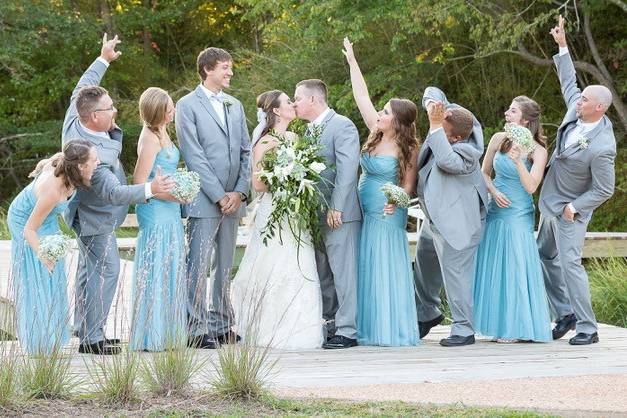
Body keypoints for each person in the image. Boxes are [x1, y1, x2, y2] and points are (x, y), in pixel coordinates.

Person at [62, 34, 174, 355]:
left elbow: (84, 84)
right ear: (94, 117)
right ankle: (93, 339)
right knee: (107, 269)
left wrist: (103, 59)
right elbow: (113, 193)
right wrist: (152, 188)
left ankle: (85, 328)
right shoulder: (87, 154)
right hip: (95, 216)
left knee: (88, 269)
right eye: (110, 109)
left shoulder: (78, 109)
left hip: (86, 211)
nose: (115, 111)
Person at [537, 15, 616, 345]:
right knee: (543, 255)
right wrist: (563, 46)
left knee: (570, 264)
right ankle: (565, 313)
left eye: (584, 99)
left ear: (597, 108)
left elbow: (604, 188)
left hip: (570, 211)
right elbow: (568, 83)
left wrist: (574, 207)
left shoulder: (602, 147)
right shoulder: (576, 109)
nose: (577, 100)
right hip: (548, 203)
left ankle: (588, 327)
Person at [230, 90, 324, 349]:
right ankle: (269, 329)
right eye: (288, 103)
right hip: (274, 209)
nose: (293, 105)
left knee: (300, 263)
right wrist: (284, 176)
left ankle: (301, 329)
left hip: (295, 210)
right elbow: (258, 185)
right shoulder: (264, 143)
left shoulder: (296, 137)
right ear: (276, 111)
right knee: (273, 264)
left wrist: (300, 177)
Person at [342, 38, 419, 346]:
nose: (380, 114)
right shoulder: (374, 132)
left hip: (388, 210)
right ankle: (367, 324)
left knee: (384, 263)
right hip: (362, 204)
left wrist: (396, 201)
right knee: (364, 262)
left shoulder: (408, 147)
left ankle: (388, 328)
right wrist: (352, 61)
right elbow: (360, 95)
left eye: (386, 112)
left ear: (397, 120)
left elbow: (408, 185)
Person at [176, 47, 251, 349]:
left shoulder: (235, 104)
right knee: (198, 264)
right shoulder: (187, 105)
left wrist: (240, 191)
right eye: (224, 67)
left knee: (224, 263)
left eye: (230, 67)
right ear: (207, 69)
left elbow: (246, 151)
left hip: (234, 198)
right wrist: (219, 195)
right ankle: (195, 328)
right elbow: (193, 155)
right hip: (204, 199)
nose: (230, 72)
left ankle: (221, 323)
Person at [413, 89, 488, 347]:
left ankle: (464, 330)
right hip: (434, 216)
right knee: (424, 263)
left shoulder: (466, 154)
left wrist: (435, 125)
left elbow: (445, 160)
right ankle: (427, 313)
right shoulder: (453, 117)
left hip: (459, 223)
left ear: (455, 138)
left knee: (455, 274)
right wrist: (434, 104)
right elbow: (433, 90)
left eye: (442, 133)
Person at [473, 96, 552, 343]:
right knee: (496, 265)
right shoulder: (498, 139)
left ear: (525, 120)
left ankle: (517, 326)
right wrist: (493, 192)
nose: (507, 112)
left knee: (516, 265)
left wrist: (519, 162)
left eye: (513, 110)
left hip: (518, 212)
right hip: (497, 209)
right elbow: (483, 173)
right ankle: (497, 324)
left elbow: (531, 187)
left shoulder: (539, 151)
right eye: (508, 108)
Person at [8, 140, 97, 355]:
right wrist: (43, 256)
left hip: (46, 221)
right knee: (39, 276)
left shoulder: (65, 164)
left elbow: (53, 159)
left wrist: (42, 166)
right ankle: (40, 344)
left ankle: (53, 335)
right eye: (94, 160)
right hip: (25, 222)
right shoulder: (51, 191)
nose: (98, 162)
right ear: (80, 167)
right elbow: (29, 229)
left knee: (53, 277)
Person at [293, 79, 361, 349]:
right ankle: (331, 324)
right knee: (324, 274)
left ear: (313, 100)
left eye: (297, 98)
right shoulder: (308, 132)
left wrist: (337, 206)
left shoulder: (342, 125)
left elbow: (347, 170)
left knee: (344, 274)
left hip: (339, 214)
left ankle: (348, 331)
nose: (295, 102)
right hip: (316, 214)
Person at [129, 87, 187, 351]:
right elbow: (140, 181)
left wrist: (183, 188)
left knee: (170, 265)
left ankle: (168, 333)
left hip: (171, 209)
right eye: (169, 107)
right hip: (155, 209)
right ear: (157, 111)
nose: (173, 111)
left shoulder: (164, 132)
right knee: (156, 267)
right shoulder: (150, 138)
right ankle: (151, 334)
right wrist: (174, 195)